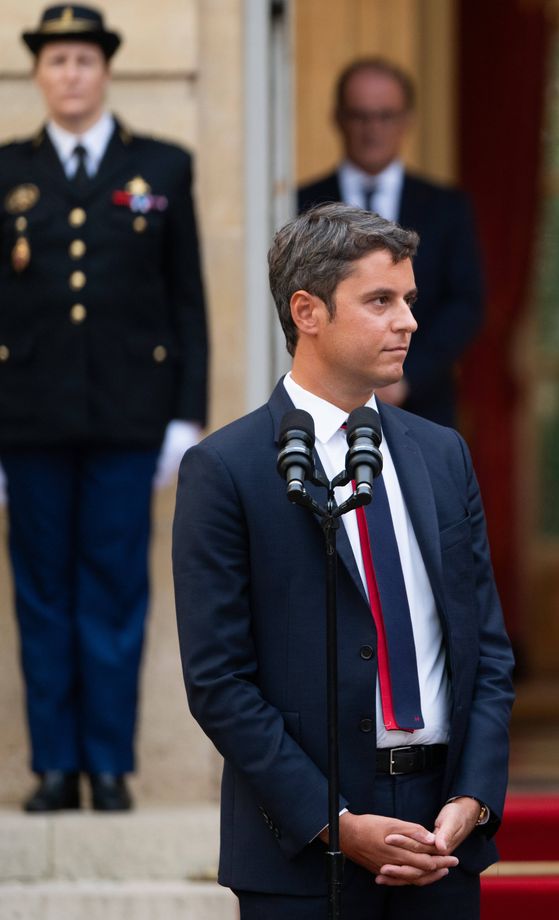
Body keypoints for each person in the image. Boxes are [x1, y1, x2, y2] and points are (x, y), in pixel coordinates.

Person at [173, 203, 513, 917]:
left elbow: (485, 650)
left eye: (410, 301)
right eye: (381, 301)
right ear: (308, 311)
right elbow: (219, 683)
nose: (409, 322)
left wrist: (472, 799)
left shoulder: (442, 454)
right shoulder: (225, 469)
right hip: (302, 850)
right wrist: (338, 824)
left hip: (439, 841)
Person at [0, 3, 208, 813]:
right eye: (56, 62)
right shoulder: (7, 170)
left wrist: (185, 417)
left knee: (118, 591)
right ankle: (55, 765)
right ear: (40, 74)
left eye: (83, 60)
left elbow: (187, 299)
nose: (71, 75)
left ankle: (111, 764)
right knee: (42, 592)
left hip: (131, 421)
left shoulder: (162, 165)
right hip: (28, 422)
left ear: (105, 70)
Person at [297, 57, 484, 428]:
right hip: (322, 407)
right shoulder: (302, 207)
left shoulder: (446, 207)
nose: (372, 129)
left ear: (406, 121)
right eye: (360, 116)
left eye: (385, 116)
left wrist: (403, 377)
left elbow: (466, 304)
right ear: (338, 118)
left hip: (421, 408)